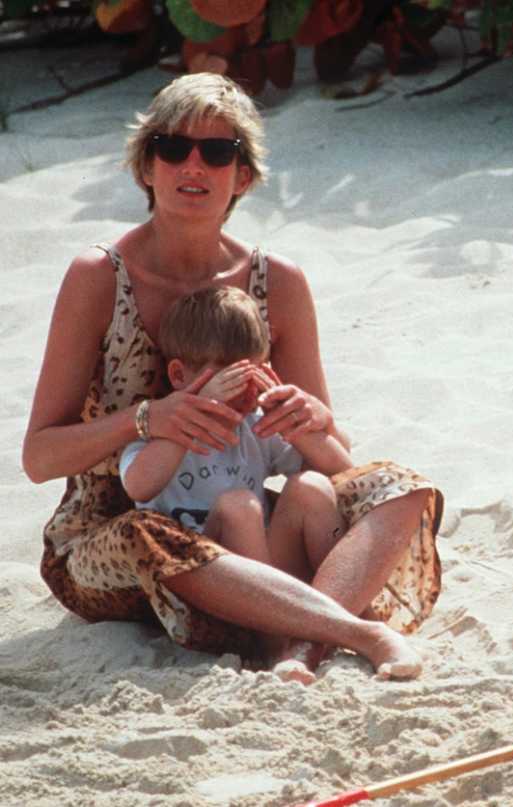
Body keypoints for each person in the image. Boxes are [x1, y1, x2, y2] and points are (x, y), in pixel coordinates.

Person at [23, 72, 443, 681]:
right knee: (152, 534)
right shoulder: (98, 275)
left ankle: (299, 649)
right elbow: (39, 458)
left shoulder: (280, 281)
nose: (194, 165)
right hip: (117, 532)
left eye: (218, 152)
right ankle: (350, 632)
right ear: (147, 167)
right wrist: (148, 419)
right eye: (173, 147)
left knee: (401, 488)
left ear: (242, 176)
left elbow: (328, 459)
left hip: (237, 518)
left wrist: (310, 418)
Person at [120, 286, 350, 593]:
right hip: (206, 577)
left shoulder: (254, 427)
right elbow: (138, 485)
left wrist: (296, 421)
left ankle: (343, 605)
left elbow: (342, 470)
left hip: (266, 568)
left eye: (253, 376)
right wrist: (193, 416)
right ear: (178, 376)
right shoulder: (159, 435)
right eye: (230, 380)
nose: (245, 393)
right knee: (239, 507)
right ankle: (274, 635)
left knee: (311, 486)